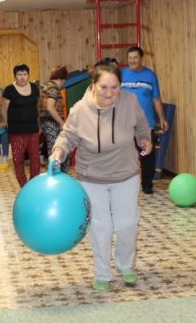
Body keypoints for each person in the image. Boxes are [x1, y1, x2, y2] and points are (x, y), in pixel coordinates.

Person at [50, 59, 152, 292]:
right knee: (100, 227)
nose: (110, 93)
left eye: (115, 87)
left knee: (127, 225)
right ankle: (103, 273)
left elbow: (142, 125)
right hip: (91, 178)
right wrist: (58, 152)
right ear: (93, 85)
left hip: (126, 174)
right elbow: (67, 137)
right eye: (104, 87)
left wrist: (144, 139)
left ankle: (126, 266)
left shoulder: (129, 102)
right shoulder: (79, 110)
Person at [121, 46, 168, 194]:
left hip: (146, 123)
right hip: (125, 122)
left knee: (146, 154)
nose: (132, 61)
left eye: (135, 58)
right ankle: (124, 185)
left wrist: (162, 119)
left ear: (141, 58)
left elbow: (156, 99)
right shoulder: (121, 74)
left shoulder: (150, 75)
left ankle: (147, 185)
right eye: (130, 58)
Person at [2, 64, 40, 187]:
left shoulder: (34, 88)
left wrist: (39, 124)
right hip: (16, 132)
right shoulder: (9, 90)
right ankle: (24, 186)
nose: (22, 77)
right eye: (19, 74)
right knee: (18, 160)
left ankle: (34, 185)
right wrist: (8, 126)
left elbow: (37, 107)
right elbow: (4, 110)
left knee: (35, 159)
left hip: (33, 130)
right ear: (15, 76)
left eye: (25, 74)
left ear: (28, 75)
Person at [39, 66, 69, 171]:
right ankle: (58, 178)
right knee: (56, 152)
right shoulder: (53, 88)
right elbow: (50, 108)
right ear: (63, 79)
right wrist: (62, 123)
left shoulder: (45, 85)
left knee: (53, 151)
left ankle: (56, 175)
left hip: (45, 122)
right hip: (51, 122)